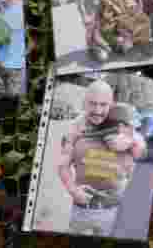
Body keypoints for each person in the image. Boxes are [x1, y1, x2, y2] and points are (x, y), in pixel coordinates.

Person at [57, 80, 146, 237]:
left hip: (114, 213)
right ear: (85, 102)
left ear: (111, 104)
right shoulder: (74, 129)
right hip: (81, 211)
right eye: (93, 104)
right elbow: (63, 166)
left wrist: (131, 143)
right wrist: (72, 190)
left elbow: (143, 154)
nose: (98, 110)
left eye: (103, 105)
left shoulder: (123, 124)